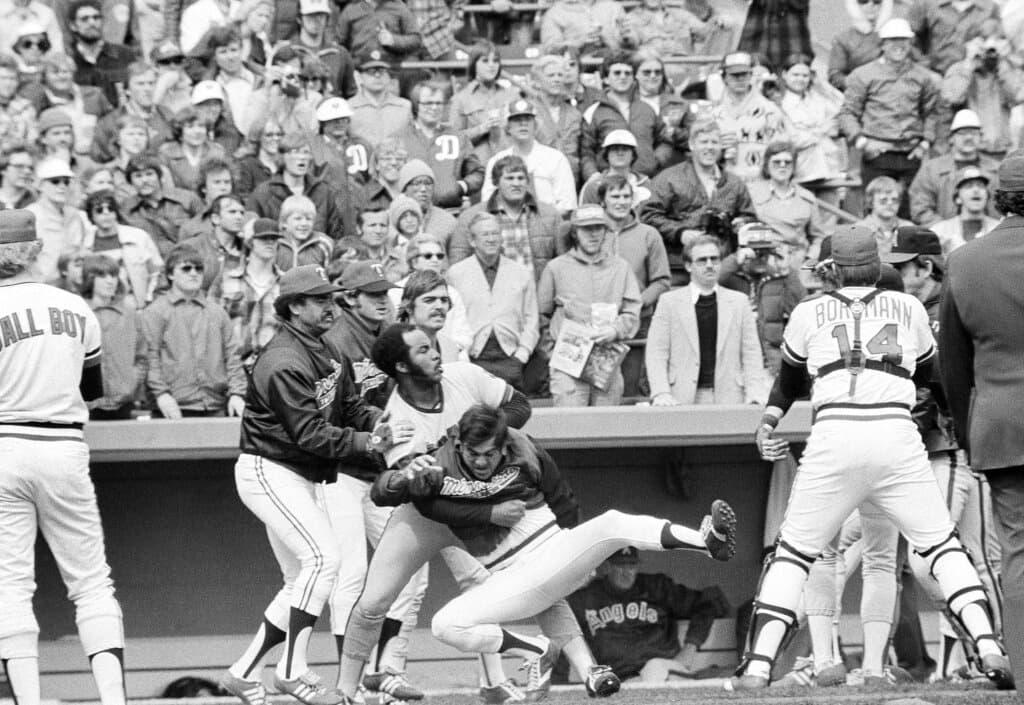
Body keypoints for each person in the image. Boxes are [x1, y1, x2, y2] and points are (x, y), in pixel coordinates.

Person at [729, 224, 1013, 691]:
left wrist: (768, 421)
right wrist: (959, 427)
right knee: (941, 547)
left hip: (836, 433)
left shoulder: (809, 309)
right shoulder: (907, 306)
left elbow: (789, 380)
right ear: (875, 264)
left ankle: (759, 664)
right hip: (896, 435)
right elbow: (932, 377)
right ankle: (987, 646)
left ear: (833, 269)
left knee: (795, 552)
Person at [370, 405, 737, 693]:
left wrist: (580, 554)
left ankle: (706, 542)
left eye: (489, 454)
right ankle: (540, 651)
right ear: (459, 444)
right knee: (444, 624)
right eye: (473, 453)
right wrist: (405, 475)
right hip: (511, 579)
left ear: (503, 446)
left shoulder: (523, 450)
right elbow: (382, 491)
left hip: (552, 550)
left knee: (611, 521)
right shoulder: (439, 464)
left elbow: (561, 496)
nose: (481, 462)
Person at [332, 322, 555, 705]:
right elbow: (425, 499)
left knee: (535, 580)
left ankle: (549, 662)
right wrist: (444, 471)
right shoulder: (396, 421)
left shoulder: (463, 374)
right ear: (401, 367)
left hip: (483, 496)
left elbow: (520, 405)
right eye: (421, 350)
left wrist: (479, 437)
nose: (435, 352)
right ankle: (344, 692)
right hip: (433, 515)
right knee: (373, 602)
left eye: (431, 345)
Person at [220, 264, 412, 705]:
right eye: (321, 299)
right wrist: (369, 442)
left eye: (331, 298)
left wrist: (382, 423)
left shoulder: (325, 349)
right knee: (324, 560)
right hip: (268, 470)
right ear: (294, 307)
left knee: (300, 581)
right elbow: (311, 435)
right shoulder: (282, 360)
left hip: (296, 474)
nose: (331, 305)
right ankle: (292, 669)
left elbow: (348, 407)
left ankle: (244, 671)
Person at [0, 209, 127, 705]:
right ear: (35, 250)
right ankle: (114, 699)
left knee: (10, 583)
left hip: (5, 445)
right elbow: (93, 390)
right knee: (92, 581)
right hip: (63, 445)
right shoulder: (75, 306)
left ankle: (27, 702)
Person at [882, 226, 1002, 681]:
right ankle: (980, 656)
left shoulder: (937, 312)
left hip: (947, 445)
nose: (894, 272)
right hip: (965, 443)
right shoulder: (944, 302)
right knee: (979, 560)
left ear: (925, 267)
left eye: (901, 265)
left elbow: (941, 386)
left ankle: (980, 650)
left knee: (935, 559)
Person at [940, 154, 1024, 691]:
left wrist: (965, 430)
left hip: (1000, 426)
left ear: (998, 199)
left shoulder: (965, 261)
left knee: (1017, 555)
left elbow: (953, 367)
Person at [567, 546, 730, 682]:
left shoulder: (657, 588)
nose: (627, 572)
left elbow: (705, 604)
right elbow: (559, 626)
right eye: (620, 566)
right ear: (606, 567)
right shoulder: (587, 598)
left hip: (664, 671)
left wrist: (690, 648)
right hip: (619, 680)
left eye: (632, 566)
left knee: (655, 668)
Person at [539, 205, 642, 407]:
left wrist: (615, 329)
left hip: (607, 365)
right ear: (575, 233)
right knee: (570, 429)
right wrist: (553, 354)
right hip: (568, 366)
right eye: (586, 229)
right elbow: (541, 316)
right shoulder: (556, 268)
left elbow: (632, 310)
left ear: (606, 231)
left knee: (606, 430)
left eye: (598, 228)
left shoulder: (621, 268)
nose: (593, 234)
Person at [646, 235, 765, 406]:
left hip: (729, 397)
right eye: (702, 260)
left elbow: (751, 353)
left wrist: (755, 392)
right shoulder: (668, 302)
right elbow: (656, 352)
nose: (709, 265)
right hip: (679, 397)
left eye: (714, 259)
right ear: (688, 266)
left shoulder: (739, 302)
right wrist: (661, 392)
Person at [839, 18, 940, 219]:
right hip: (878, 153)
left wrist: (925, 144)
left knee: (908, 212)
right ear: (883, 44)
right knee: (877, 210)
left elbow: (932, 112)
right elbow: (848, 112)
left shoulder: (923, 77)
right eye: (893, 40)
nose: (899, 46)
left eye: (903, 40)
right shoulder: (863, 75)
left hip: (911, 154)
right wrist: (862, 142)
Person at [640, 119, 755, 281]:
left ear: (721, 146)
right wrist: (680, 233)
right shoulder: (669, 178)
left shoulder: (734, 183)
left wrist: (740, 223)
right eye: (704, 142)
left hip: (722, 267)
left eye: (714, 142)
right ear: (692, 145)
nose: (709, 147)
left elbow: (749, 217)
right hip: (679, 267)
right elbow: (648, 215)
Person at [142, 245, 247, 419]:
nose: (194, 273)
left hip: (216, 405)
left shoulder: (217, 312)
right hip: (172, 408)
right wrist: (161, 394)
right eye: (186, 268)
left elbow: (233, 356)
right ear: (170, 274)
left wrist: (237, 393)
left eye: (199, 268)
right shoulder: (155, 312)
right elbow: (149, 358)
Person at [447, 212, 538, 391]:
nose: (491, 239)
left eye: (495, 234)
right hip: (473, 360)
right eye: (485, 234)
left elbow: (532, 319)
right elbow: (451, 320)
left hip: (510, 360)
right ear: (472, 241)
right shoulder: (456, 274)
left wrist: (522, 355)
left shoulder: (521, 273)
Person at [599, 173, 669, 396]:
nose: (621, 201)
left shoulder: (649, 235)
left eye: (626, 196)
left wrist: (638, 304)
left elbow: (662, 280)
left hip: (638, 322)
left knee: (630, 386)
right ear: (603, 201)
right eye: (615, 196)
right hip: (599, 321)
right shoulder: (593, 233)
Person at [450, 154, 567, 281]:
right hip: (493, 295)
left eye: (521, 178)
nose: (516, 183)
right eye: (509, 178)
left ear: (528, 181)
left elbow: (565, 263)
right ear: (496, 182)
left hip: (537, 294)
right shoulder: (471, 217)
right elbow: (458, 264)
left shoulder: (550, 215)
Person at [718, 223, 805, 376]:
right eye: (756, 252)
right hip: (736, 360)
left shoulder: (777, 276)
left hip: (770, 361)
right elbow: (711, 280)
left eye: (765, 252)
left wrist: (788, 272)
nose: (761, 257)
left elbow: (800, 309)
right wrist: (735, 260)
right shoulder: (730, 275)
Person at [393, 81, 484, 209]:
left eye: (438, 103)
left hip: (451, 211)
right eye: (428, 103)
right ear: (415, 105)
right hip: (410, 214)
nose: (434, 108)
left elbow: (477, 172)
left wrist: (461, 187)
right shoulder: (399, 139)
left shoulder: (457, 137)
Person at [480, 99, 577, 217]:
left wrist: (544, 221)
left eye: (528, 120)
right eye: (517, 120)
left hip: (548, 224)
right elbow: (487, 202)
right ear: (508, 127)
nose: (523, 124)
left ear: (535, 125)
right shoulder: (496, 161)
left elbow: (567, 203)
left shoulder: (555, 158)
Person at [580, 52, 665, 181]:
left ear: (634, 77)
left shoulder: (648, 108)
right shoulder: (594, 111)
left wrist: (655, 161)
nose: (623, 77)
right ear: (606, 79)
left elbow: (664, 140)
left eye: (627, 73)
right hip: (609, 185)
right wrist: (593, 176)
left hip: (645, 181)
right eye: (617, 73)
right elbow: (586, 152)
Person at [81, 254, 146, 420]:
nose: (110, 281)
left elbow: (142, 356)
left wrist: (131, 383)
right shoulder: (78, 312)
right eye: (102, 276)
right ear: (90, 278)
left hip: (124, 402)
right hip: (86, 405)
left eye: (114, 275)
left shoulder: (130, 314)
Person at [908, 109, 1000, 227]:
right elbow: (920, 208)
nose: (968, 137)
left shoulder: (996, 169)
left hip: (990, 238)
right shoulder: (931, 169)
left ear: (980, 136)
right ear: (951, 138)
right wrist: (947, 231)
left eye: (973, 132)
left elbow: (1007, 207)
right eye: (962, 133)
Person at [247, 134, 347, 241]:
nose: (302, 157)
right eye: (295, 152)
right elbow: (252, 235)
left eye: (306, 152)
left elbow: (336, 234)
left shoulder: (323, 191)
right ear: (282, 157)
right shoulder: (264, 193)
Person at [941, 31, 1024, 160]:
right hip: (969, 151)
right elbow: (952, 98)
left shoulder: (1006, 70)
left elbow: (1018, 96)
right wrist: (969, 64)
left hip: (1000, 150)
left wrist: (1001, 62)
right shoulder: (959, 69)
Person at [711, 51, 787, 183]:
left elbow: (782, 149)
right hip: (725, 183)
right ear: (724, 78)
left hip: (761, 182)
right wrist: (719, 149)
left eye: (744, 74)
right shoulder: (714, 114)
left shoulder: (770, 110)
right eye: (735, 75)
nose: (740, 79)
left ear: (751, 75)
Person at [81, 189, 163, 308]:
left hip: (137, 306)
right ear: (91, 216)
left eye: (110, 209)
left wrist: (149, 299)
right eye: (99, 211)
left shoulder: (138, 237)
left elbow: (157, 272)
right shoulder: (86, 245)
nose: (106, 214)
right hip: (101, 308)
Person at [220, 218, 283, 364]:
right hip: (234, 366)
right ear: (250, 241)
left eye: (274, 239)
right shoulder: (227, 280)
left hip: (273, 367)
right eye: (263, 238)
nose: (270, 243)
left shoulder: (286, 283)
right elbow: (212, 325)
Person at [778, 53, 845, 188]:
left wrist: (822, 85)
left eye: (805, 75)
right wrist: (821, 131)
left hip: (830, 169)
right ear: (785, 75)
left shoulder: (818, 100)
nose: (800, 79)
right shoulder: (780, 103)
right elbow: (792, 140)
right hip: (801, 173)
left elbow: (845, 108)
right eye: (795, 75)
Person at [448, 42, 518, 167]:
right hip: (478, 168)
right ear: (474, 64)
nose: (491, 65)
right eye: (485, 61)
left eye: (495, 61)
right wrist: (481, 129)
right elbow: (453, 140)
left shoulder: (512, 95)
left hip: (510, 166)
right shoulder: (461, 99)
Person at [90, 61, 174, 164]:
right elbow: (99, 159)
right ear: (127, 90)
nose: (147, 89)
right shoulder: (109, 123)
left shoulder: (167, 115)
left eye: (151, 83)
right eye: (140, 84)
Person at [121, 153, 203, 257]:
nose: (144, 181)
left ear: (159, 176)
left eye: (149, 174)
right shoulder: (126, 209)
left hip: (192, 258)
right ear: (130, 181)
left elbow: (206, 229)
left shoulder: (187, 198)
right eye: (138, 176)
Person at [25, 158, 89, 284]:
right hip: (41, 287)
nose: (62, 186)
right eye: (55, 181)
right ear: (40, 185)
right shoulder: (30, 216)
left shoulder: (76, 216)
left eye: (66, 182)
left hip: (71, 287)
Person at [66, 0, 137, 108]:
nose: (92, 23)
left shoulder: (124, 54)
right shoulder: (68, 60)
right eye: (84, 19)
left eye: (96, 17)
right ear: (73, 25)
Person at [528, 54, 581, 182]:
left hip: (569, 179)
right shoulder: (529, 112)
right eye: (551, 75)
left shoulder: (574, 114)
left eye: (560, 75)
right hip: (537, 179)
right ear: (538, 81)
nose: (556, 79)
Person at [179, 193, 245, 296]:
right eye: (232, 212)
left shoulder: (247, 249)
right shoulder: (191, 247)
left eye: (242, 213)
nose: (239, 217)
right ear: (216, 219)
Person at [930, 166, 1001, 257]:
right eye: (969, 186)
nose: (976, 190)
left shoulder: (999, 229)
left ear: (987, 196)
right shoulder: (940, 231)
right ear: (958, 198)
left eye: (981, 186)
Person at [348, 51, 414, 147]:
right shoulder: (349, 108)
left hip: (396, 159)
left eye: (382, 71)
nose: (377, 75)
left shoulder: (404, 106)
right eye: (371, 72)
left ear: (388, 76)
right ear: (359, 76)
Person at [159, 105, 229, 192]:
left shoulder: (216, 152)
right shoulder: (167, 153)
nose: (197, 131)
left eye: (201, 126)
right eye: (190, 127)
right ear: (180, 131)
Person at [578, 129, 652, 211]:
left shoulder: (646, 184)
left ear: (633, 155)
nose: (620, 153)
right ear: (606, 155)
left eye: (625, 149)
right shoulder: (593, 186)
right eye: (614, 149)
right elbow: (585, 217)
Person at [827, 0, 891, 92]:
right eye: (863, 1)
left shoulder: (894, 35)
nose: (871, 5)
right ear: (854, 5)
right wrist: (860, 86)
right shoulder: (843, 39)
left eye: (877, 1)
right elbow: (835, 76)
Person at [539, 0, 637, 55]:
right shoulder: (555, 13)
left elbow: (632, 44)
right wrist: (578, 43)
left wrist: (621, 38)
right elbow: (549, 49)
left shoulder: (614, 7)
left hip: (616, 65)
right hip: (577, 67)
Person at [854, 175, 913, 257]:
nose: (890, 203)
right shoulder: (859, 231)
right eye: (883, 200)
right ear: (871, 202)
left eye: (894, 200)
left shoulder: (909, 228)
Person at [238, 118, 283, 201]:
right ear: (258, 138)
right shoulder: (247, 165)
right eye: (269, 135)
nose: (276, 138)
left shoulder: (285, 165)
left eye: (279, 134)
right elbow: (244, 196)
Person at [0, 54, 36, 152]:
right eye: (2, 78)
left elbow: (32, 140)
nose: (8, 84)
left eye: (12, 79)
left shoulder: (27, 107)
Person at [0, 144, 36, 209]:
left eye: (31, 168)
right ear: (3, 169)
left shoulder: (35, 201)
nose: (27, 171)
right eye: (19, 166)